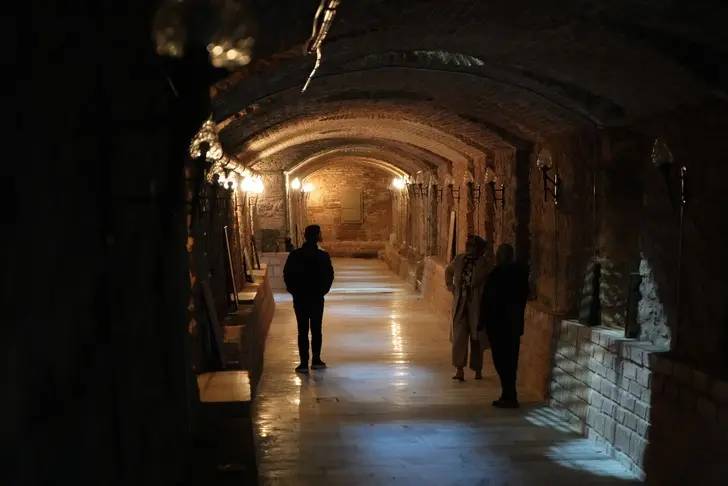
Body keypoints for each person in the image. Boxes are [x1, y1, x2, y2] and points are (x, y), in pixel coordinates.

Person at [480, 243, 529, 408]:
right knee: (511, 360)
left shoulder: (497, 274)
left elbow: (488, 300)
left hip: (499, 326)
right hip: (514, 325)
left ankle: (509, 394)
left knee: (501, 360)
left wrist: (483, 322)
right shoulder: (521, 274)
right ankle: (509, 393)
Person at [283, 224, 335, 374]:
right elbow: (329, 276)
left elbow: (287, 275)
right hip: (316, 298)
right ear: (317, 236)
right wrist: (322, 292)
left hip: (300, 299)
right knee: (316, 329)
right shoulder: (323, 256)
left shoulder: (295, 255)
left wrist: (294, 292)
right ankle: (316, 360)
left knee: (302, 330)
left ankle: (304, 363)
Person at [445, 235, 492, 381]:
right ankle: (459, 369)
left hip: (476, 305)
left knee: (476, 337)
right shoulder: (459, 260)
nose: (469, 249)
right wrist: (451, 286)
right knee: (459, 336)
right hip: (460, 303)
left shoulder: (484, 264)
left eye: (472, 246)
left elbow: (490, 279)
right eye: (468, 246)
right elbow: (449, 270)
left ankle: (477, 369)